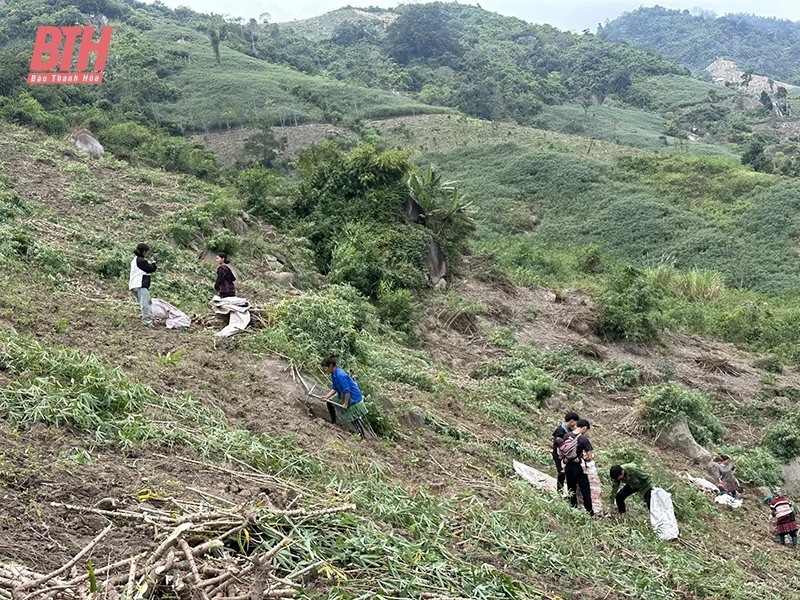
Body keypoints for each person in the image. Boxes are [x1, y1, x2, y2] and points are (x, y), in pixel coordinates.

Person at [321, 356, 368, 440]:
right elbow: (335, 388)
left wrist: (346, 403)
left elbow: (347, 391)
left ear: (331, 366)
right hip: (345, 395)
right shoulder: (333, 374)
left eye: (325, 368)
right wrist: (326, 397)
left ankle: (362, 436)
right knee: (329, 402)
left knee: (353, 417)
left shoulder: (340, 375)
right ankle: (333, 422)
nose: (325, 370)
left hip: (353, 396)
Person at [562, 418, 594, 516]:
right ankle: (589, 512)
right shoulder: (583, 439)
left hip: (567, 465)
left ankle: (573, 508)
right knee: (585, 489)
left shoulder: (567, 435)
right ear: (584, 428)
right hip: (578, 467)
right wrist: (586, 459)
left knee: (571, 488)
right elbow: (590, 456)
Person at [129, 243, 158, 328]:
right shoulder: (140, 260)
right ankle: (147, 322)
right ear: (144, 252)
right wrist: (154, 262)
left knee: (146, 302)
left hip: (135, 285)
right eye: (146, 252)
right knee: (145, 304)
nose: (147, 254)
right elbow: (150, 269)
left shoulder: (136, 260)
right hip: (140, 285)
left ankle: (149, 319)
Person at [552, 411, 580, 493]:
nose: (575, 424)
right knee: (561, 472)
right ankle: (559, 492)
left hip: (565, 455)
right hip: (558, 455)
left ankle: (566, 492)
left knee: (566, 473)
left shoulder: (568, 430)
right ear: (571, 421)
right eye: (575, 422)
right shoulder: (560, 430)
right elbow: (558, 443)